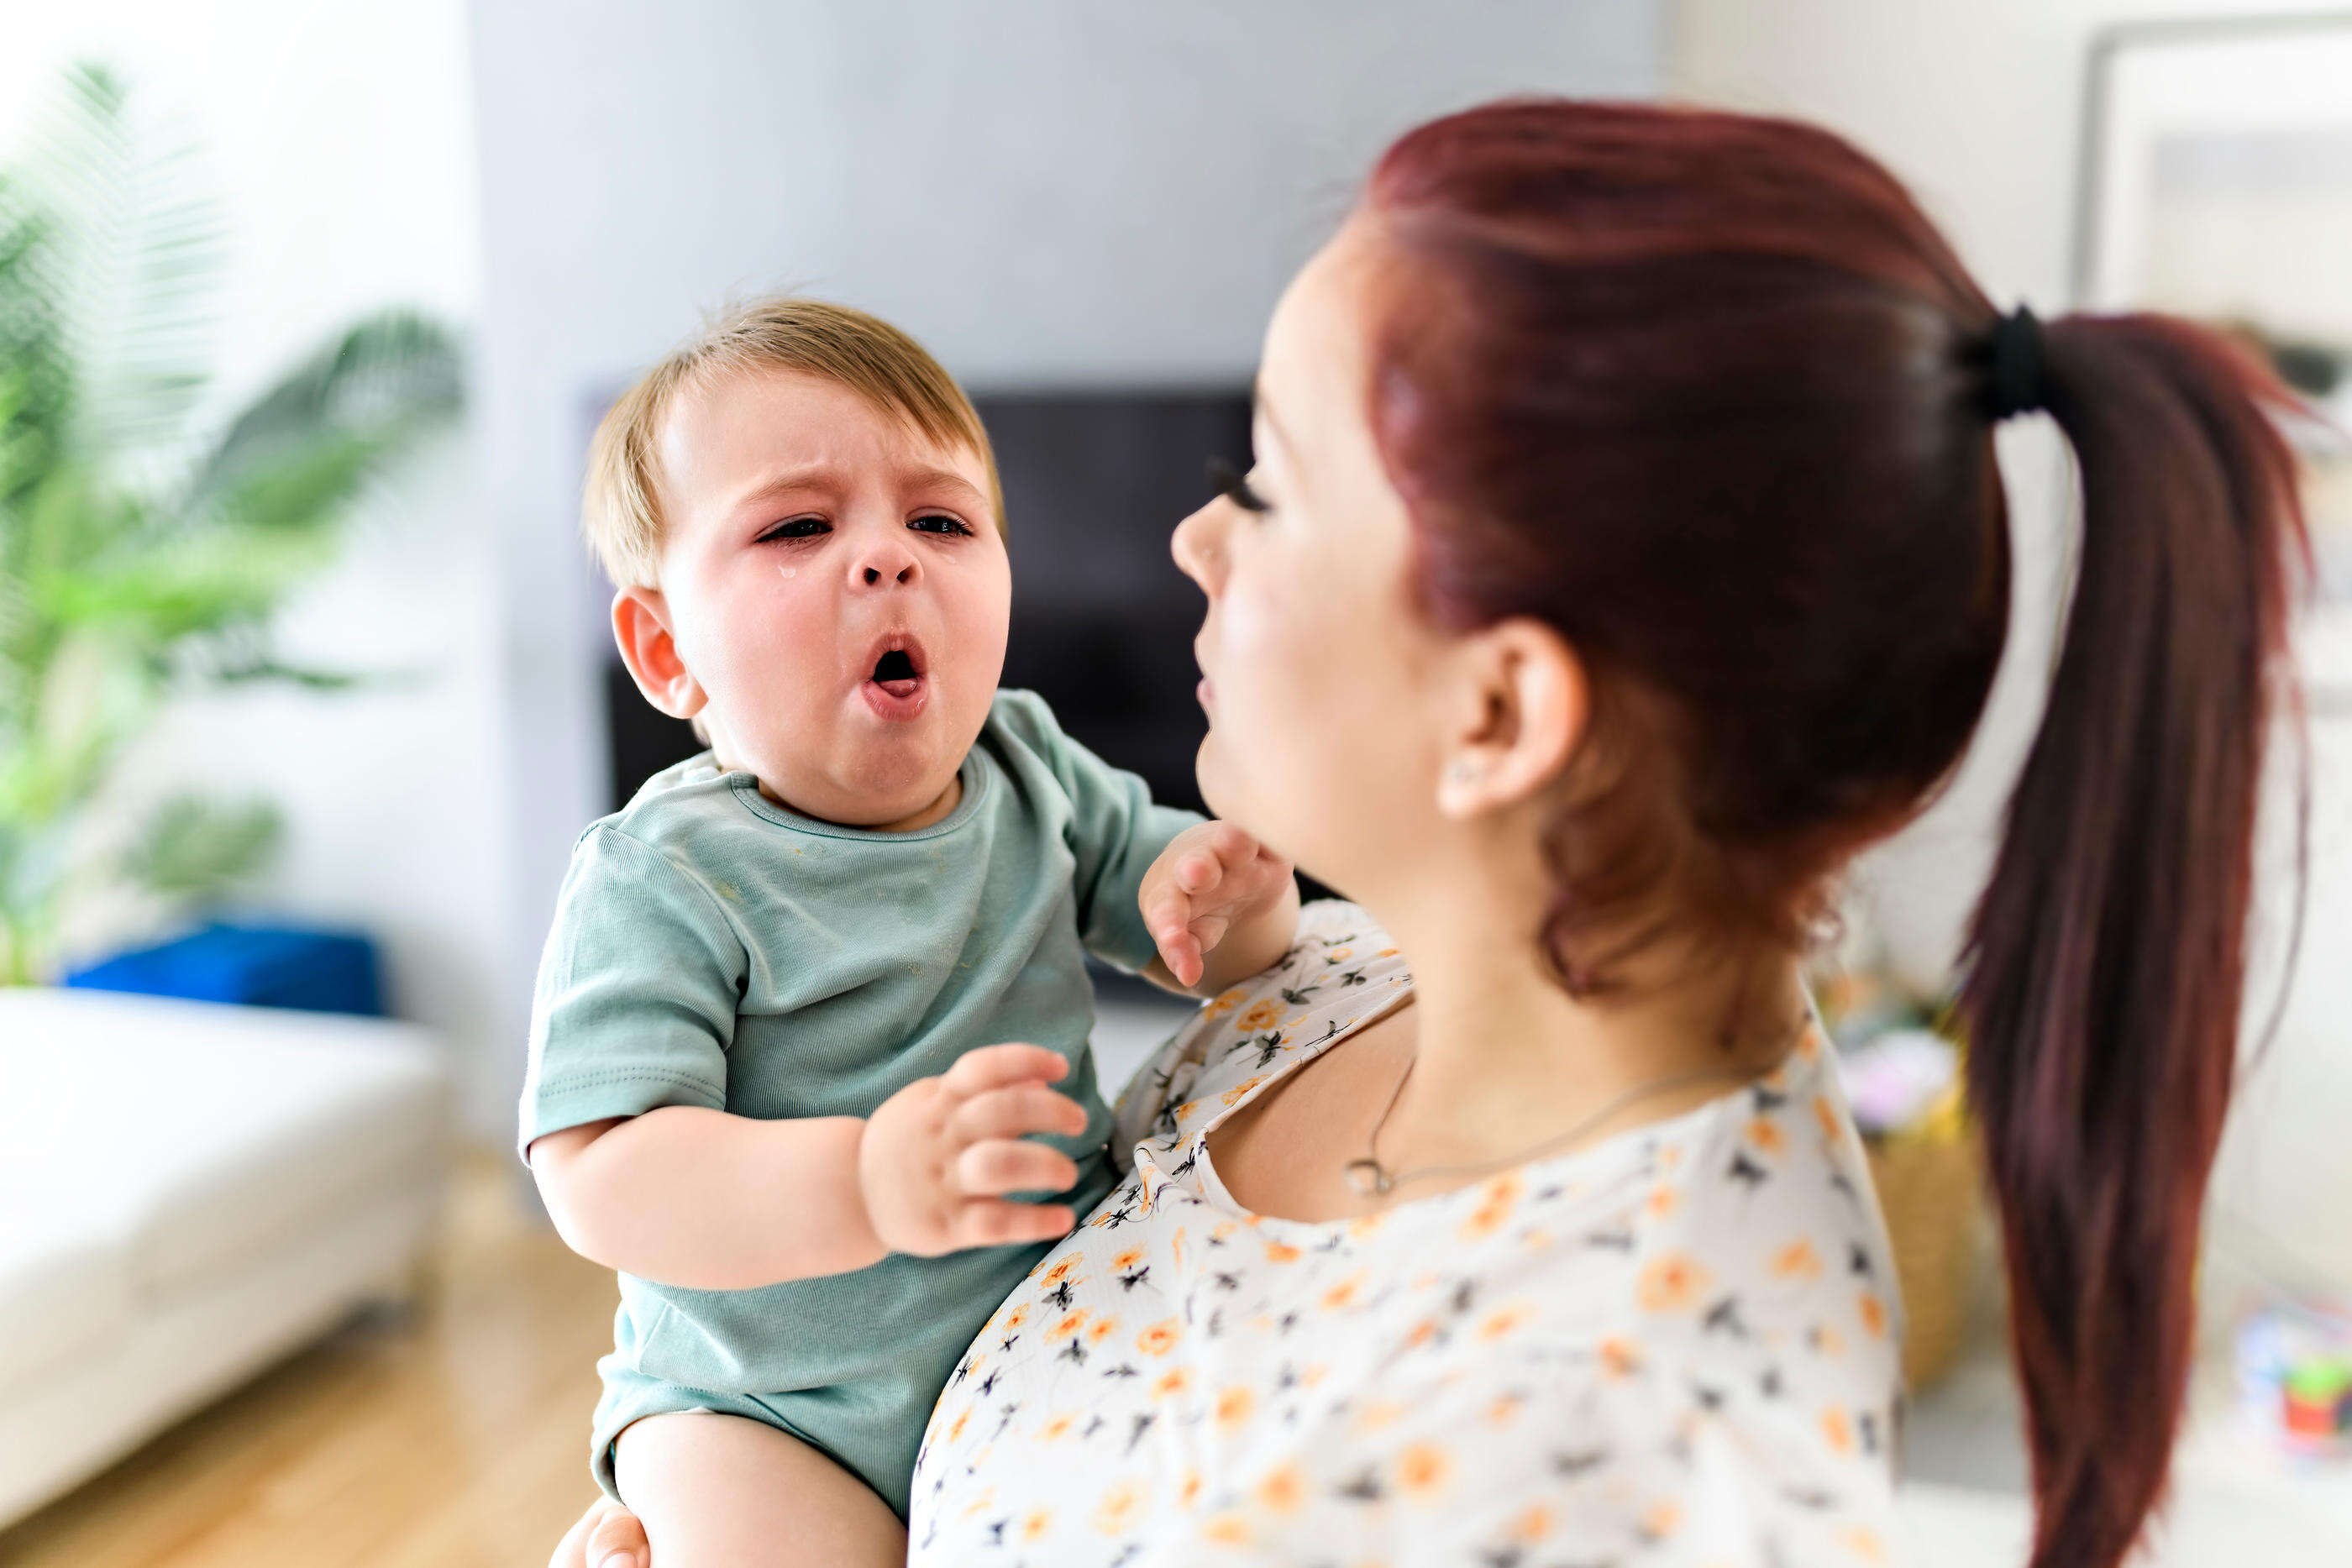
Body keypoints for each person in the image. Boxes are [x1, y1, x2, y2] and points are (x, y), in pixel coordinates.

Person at [553, 99, 2307, 1568]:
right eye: (792, 529)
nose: (1189, 539)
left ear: (1497, 711)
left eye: (1271, 479)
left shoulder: (1583, 1442)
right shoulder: (1364, 981)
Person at [522, 297, 1299, 1567]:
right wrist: (866, 1183)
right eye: (797, 526)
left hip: (1046, 1329)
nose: (888, 558)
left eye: (939, 520)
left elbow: (1222, 954)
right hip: (765, 1411)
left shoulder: (1030, 761)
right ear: (667, 652)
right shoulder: (662, 874)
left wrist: (1239, 895)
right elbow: (600, 1177)